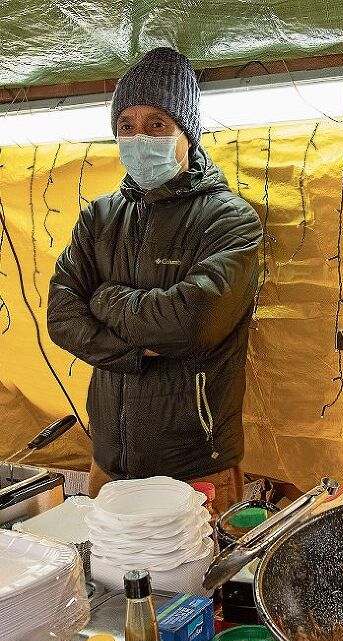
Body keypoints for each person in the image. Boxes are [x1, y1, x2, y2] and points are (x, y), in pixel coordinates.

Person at [47, 48, 262, 510]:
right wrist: (132, 351)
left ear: (188, 133)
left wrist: (104, 300)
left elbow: (190, 324)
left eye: (157, 125)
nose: (139, 137)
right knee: (112, 579)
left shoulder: (228, 220)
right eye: (127, 125)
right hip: (108, 463)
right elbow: (62, 317)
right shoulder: (99, 217)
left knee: (202, 581)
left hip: (195, 464)